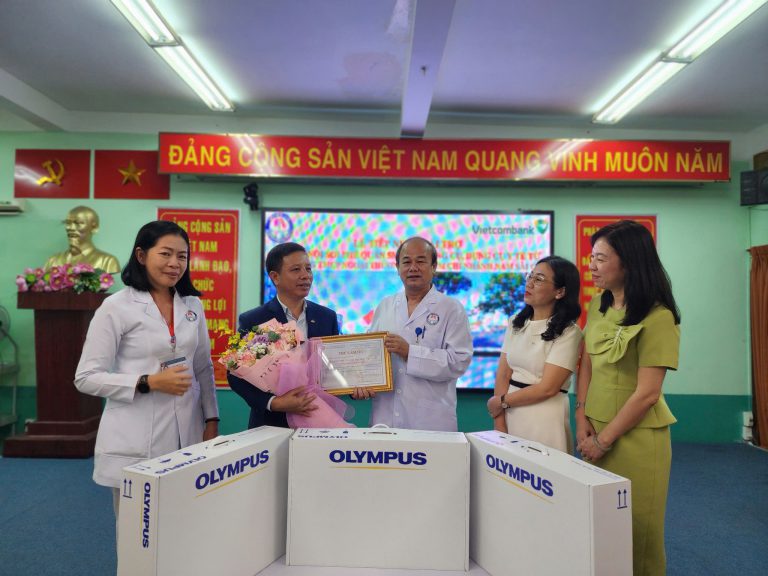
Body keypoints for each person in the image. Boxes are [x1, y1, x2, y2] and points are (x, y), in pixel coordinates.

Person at [75, 220, 219, 520]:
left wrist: (211, 419)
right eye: (165, 254)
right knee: (137, 532)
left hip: (188, 434)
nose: (175, 263)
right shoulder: (116, 307)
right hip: (135, 437)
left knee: (185, 526)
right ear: (141, 255)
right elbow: (86, 378)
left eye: (182, 256)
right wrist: (147, 382)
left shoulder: (192, 305)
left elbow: (203, 367)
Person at [575, 220, 680, 576]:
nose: (592, 266)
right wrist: (581, 414)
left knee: (638, 533)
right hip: (593, 428)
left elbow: (648, 393)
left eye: (601, 258)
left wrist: (603, 441)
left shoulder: (659, 316)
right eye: (592, 257)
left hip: (635, 438)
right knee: (600, 528)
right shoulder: (598, 304)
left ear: (630, 262)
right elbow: (587, 361)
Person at [352, 236, 473, 431]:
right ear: (398, 267)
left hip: (430, 421)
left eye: (421, 261)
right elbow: (370, 356)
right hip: (384, 419)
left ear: (434, 266)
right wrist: (360, 383)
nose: (413, 268)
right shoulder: (385, 306)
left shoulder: (451, 308)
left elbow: (458, 362)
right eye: (406, 262)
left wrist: (410, 352)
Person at [228, 242, 340, 429]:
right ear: (275, 277)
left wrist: (356, 387)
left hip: (318, 420)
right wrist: (274, 402)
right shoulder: (255, 320)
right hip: (271, 425)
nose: (305, 275)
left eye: (308, 269)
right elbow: (236, 376)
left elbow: (335, 367)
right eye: (296, 269)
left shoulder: (326, 317)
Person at [486, 256, 582, 452]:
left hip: (544, 417)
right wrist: (499, 420)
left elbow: (548, 388)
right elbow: (503, 373)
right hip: (508, 413)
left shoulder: (569, 332)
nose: (529, 283)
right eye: (530, 276)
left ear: (560, 291)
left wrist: (501, 402)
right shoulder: (516, 322)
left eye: (539, 279)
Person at [45, 205, 121, 273]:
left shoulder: (107, 261)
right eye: (68, 223)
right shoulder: (53, 261)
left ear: (94, 228)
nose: (70, 228)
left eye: (78, 223)